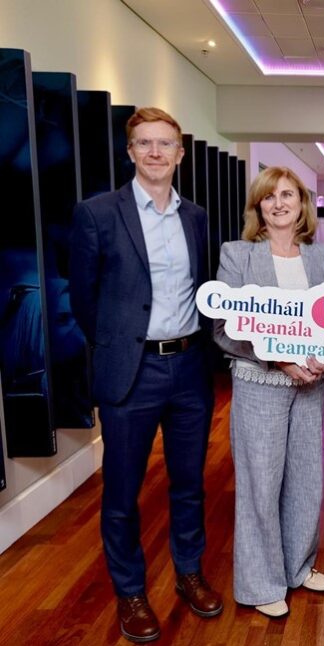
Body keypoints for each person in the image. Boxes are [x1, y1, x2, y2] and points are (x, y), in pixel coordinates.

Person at [69, 107, 221, 643]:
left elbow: (203, 289)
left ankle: (188, 573)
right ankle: (130, 592)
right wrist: (117, 348)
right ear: (129, 151)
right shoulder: (97, 213)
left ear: (180, 154)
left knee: (188, 485)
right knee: (122, 492)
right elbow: (83, 300)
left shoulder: (196, 217)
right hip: (130, 373)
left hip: (189, 369)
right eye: (144, 143)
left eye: (165, 144)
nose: (155, 152)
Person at [214, 166, 324, 618]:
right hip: (259, 381)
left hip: (311, 384)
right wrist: (280, 359)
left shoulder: (321, 257)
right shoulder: (238, 255)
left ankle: (297, 567)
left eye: (289, 195)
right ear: (259, 207)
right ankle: (261, 583)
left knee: (307, 479)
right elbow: (224, 326)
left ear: (302, 204)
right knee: (260, 485)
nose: (280, 203)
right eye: (270, 197)